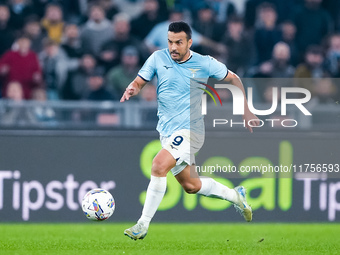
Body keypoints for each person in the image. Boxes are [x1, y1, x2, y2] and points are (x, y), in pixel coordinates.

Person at [120, 21, 260, 240]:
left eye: (178, 42)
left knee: (158, 166)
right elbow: (140, 81)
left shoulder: (205, 63)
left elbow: (234, 79)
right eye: (170, 42)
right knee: (191, 186)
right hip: (167, 132)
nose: (173, 47)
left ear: (189, 42)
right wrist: (133, 88)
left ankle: (142, 224)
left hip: (190, 130)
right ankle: (236, 195)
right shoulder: (158, 57)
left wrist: (245, 110)